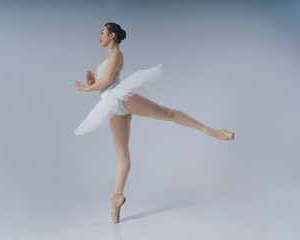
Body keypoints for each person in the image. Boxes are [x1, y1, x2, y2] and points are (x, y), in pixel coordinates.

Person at [74, 22, 234, 223]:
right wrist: (91, 84)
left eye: (102, 33)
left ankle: (212, 131)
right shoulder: (101, 59)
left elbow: (107, 80)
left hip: (121, 98)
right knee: (122, 155)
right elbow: (102, 85)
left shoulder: (117, 55)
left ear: (112, 35)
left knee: (167, 113)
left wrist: (88, 89)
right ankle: (116, 195)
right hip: (111, 105)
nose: (99, 36)